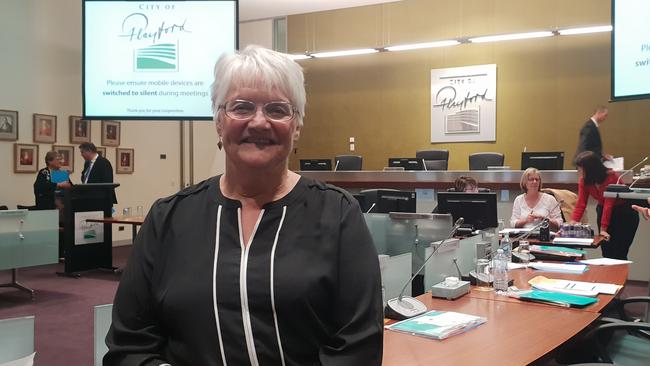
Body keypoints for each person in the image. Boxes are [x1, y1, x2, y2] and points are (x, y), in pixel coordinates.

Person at [104, 46, 383, 366]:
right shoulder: (168, 218)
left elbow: (358, 347)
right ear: (219, 122)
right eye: (242, 107)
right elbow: (129, 346)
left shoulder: (338, 214)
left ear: (297, 127)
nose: (260, 122)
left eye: (278, 110)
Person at [571, 151, 639, 259]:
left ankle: (619, 276)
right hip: (603, 210)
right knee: (606, 252)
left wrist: (603, 229)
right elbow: (581, 204)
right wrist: (572, 224)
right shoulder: (584, 180)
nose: (578, 171)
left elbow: (609, 205)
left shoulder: (611, 177)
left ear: (590, 169)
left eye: (580, 169)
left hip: (624, 214)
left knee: (619, 253)